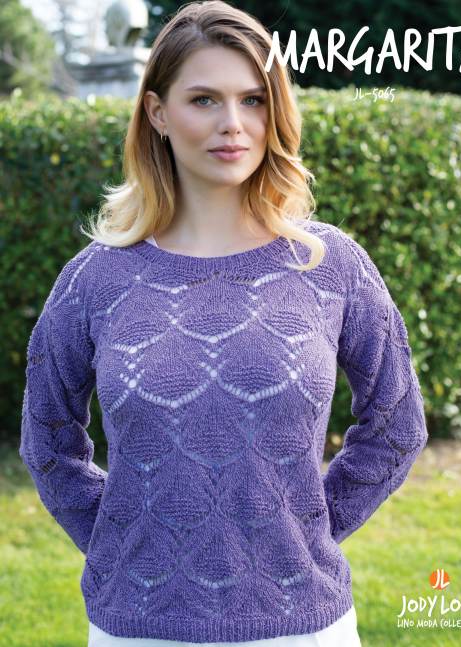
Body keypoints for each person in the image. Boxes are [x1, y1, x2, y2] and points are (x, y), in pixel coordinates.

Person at [19, 2, 428, 646]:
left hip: (303, 627)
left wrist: (306, 528)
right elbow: (47, 440)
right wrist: (120, 541)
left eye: (253, 100)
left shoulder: (329, 264)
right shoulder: (95, 279)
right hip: (138, 628)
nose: (232, 124)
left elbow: (397, 425)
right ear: (157, 112)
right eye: (204, 99)